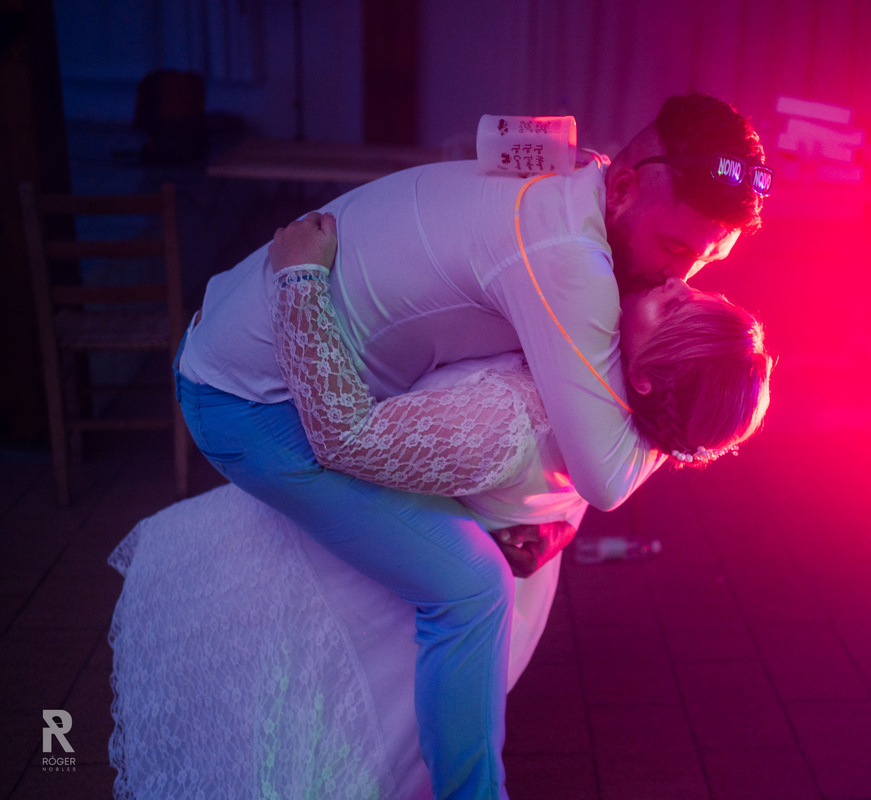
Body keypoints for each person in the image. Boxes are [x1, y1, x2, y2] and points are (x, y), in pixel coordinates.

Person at [171, 94, 769, 798]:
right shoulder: (569, 263)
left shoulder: (583, 177)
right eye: (676, 250)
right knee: (472, 588)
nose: (679, 281)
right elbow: (606, 480)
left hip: (245, 325)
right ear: (625, 188)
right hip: (248, 399)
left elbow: (499, 150)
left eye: (703, 262)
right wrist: (687, 432)